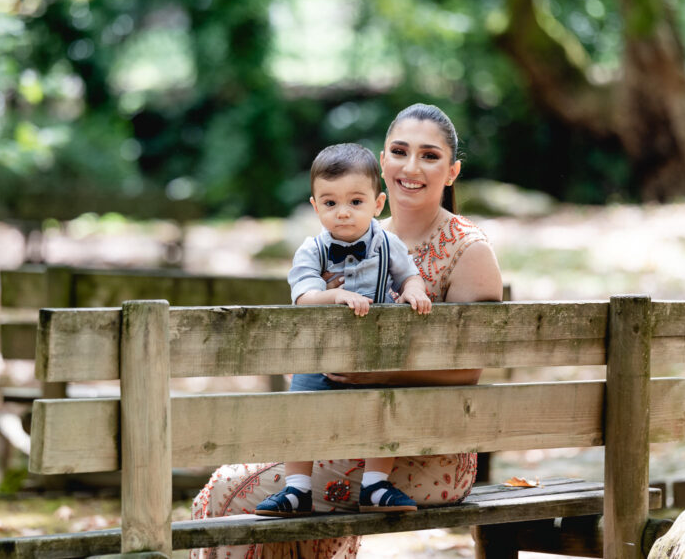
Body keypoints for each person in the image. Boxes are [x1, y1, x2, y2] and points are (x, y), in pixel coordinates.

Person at [191, 103, 503, 559]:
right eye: (400, 151)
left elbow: (468, 372)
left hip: (423, 450)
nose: (411, 166)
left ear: (452, 171)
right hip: (340, 427)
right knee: (253, 492)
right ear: (382, 162)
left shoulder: (468, 249)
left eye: (430, 156)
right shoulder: (352, 238)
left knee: (230, 492)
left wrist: (377, 377)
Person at [254, 143, 432, 518]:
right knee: (300, 413)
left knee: (384, 410)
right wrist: (333, 296)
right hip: (319, 356)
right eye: (330, 203)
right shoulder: (311, 250)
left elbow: (410, 274)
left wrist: (414, 290)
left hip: (373, 358)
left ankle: (376, 485)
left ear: (377, 203)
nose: (343, 213)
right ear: (315, 206)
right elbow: (303, 296)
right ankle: (297, 488)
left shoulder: (389, 245)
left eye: (355, 201)